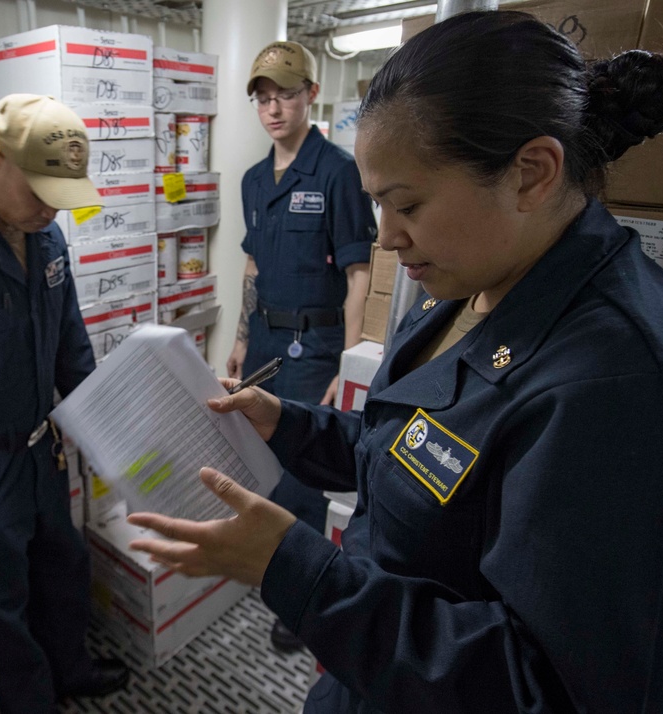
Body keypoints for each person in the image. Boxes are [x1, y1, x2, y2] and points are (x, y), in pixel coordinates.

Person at [127, 11, 663, 713]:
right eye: (378, 206)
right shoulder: (465, 286)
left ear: (532, 173)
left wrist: (298, 570)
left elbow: (548, 693)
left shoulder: (650, 392)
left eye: (407, 204)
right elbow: (413, 457)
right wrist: (288, 425)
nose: (388, 237)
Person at [0, 94, 128, 714]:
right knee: (1, 602)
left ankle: (72, 669)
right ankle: (33, 702)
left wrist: (106, 432)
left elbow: (71, 345)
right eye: (38, 192)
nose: (47, 211)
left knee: (63, 566)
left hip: (43, 451)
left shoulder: (47, 238)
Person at [228, 40, 377, 651]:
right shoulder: (253, 179)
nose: (273, 108)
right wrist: (239, 339)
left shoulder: (338, 172)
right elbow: (252, 266)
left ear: (310, 95)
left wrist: (345, 362)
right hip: (263, 336)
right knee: (259, 461)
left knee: (301, 479)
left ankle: (301, 602)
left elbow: (359, 271)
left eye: (285, 95)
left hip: (313, 345)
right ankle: (270, 567)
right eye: (263, 98)